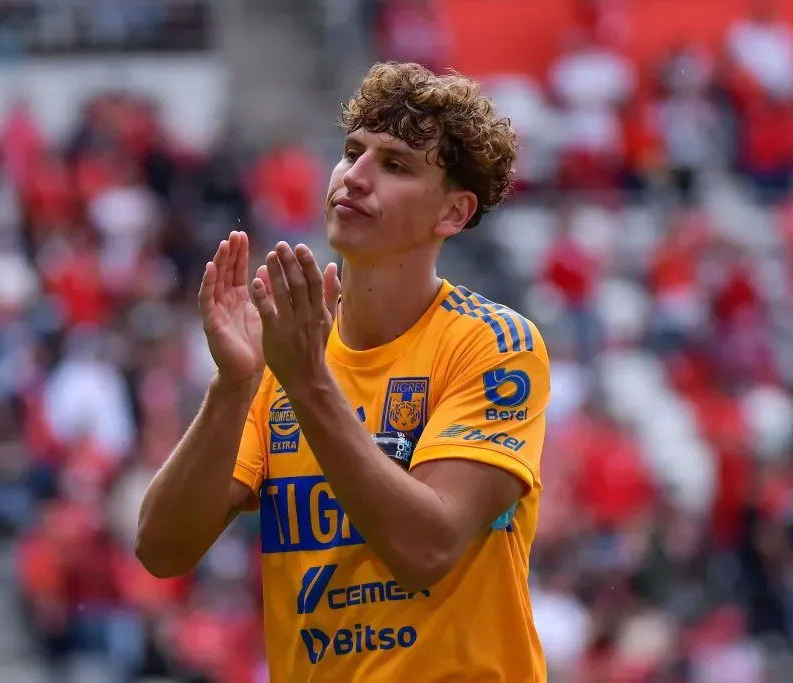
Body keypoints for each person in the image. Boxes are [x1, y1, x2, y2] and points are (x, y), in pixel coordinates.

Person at [136, 61, 550, 681]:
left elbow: (426, 548)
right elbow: (162, 550)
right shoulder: (288, 351)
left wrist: (307, 382)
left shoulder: (491, 344)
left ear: (454, 214)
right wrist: (233, 385)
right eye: (351, 153)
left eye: (395, 165)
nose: (353, 178)